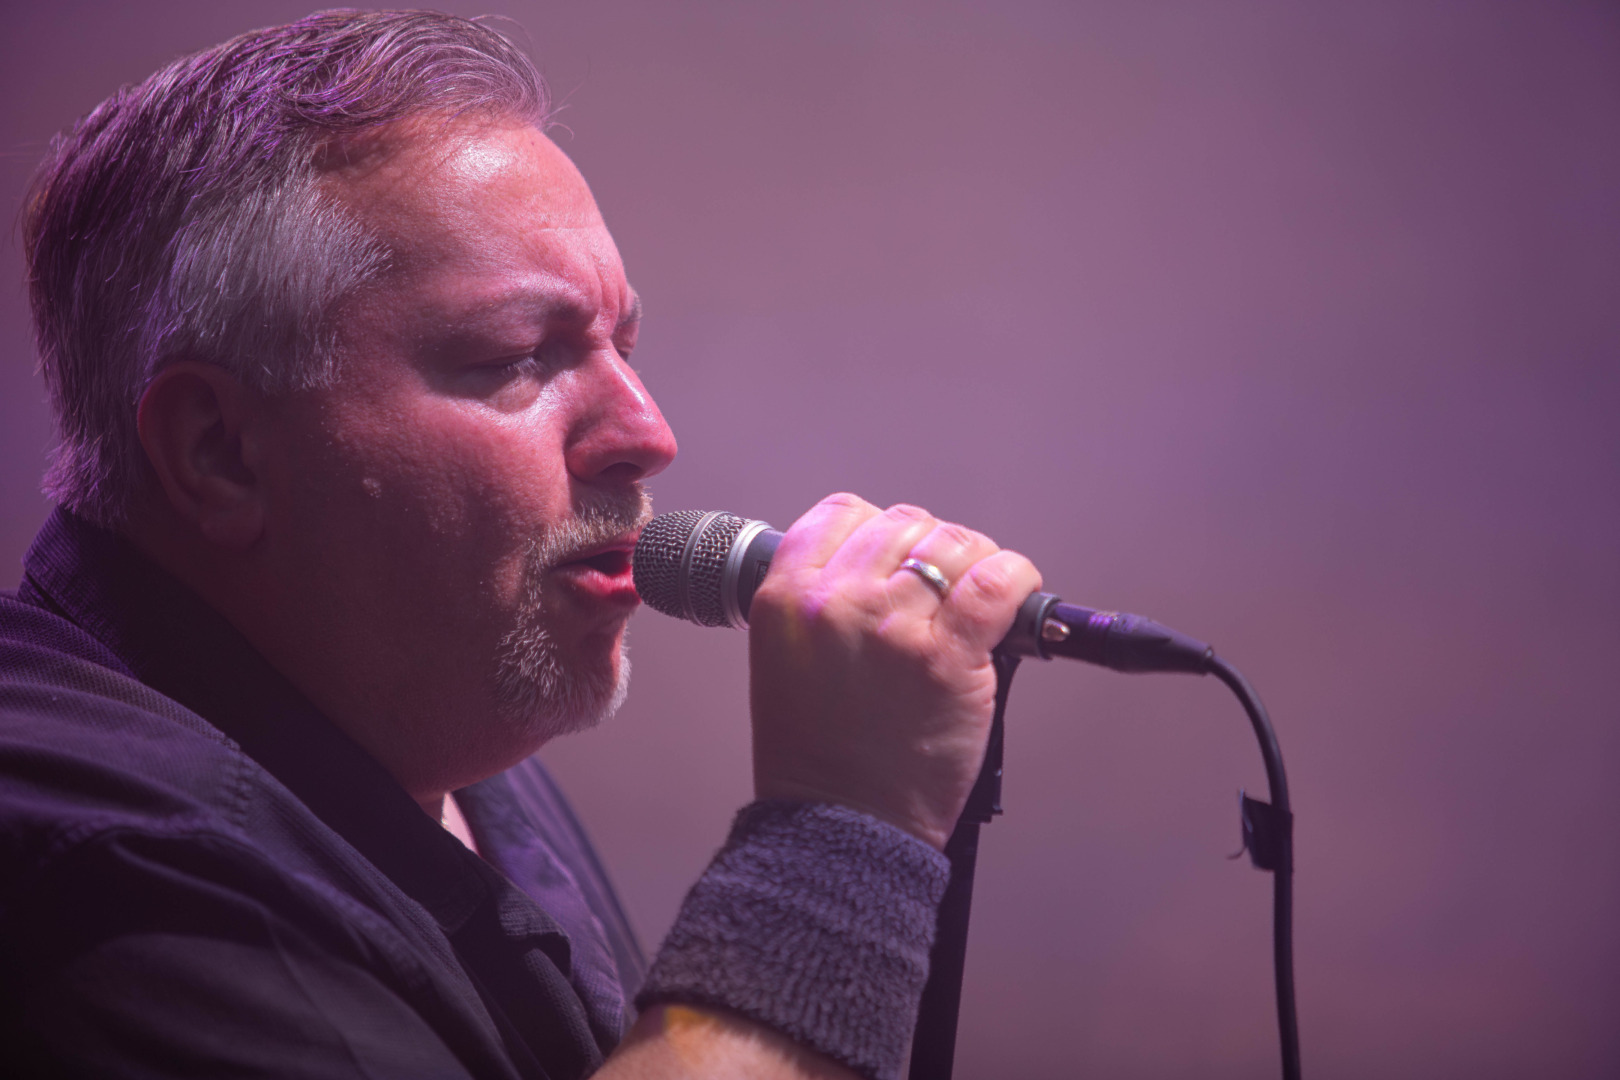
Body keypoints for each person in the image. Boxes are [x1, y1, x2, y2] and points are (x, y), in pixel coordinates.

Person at [0, 11, 1040, 1079]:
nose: (648, 434)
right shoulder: (106, 864)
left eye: (622, 346)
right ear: (219, 451)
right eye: (515, 356)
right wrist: (832, 840)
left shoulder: (419, 716)